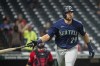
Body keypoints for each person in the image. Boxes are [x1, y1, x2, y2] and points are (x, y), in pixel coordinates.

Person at [28, 5, 95, 66]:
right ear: (64, 14)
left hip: (72, 47)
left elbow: (84, 35)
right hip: (59, 48)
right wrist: (38, 41)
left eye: (71, 12)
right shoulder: (57, 24)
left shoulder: (78, 24)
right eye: (68, 12)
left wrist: (89, 46)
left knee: (69, 64)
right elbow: (48, 36)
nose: (70, 14)